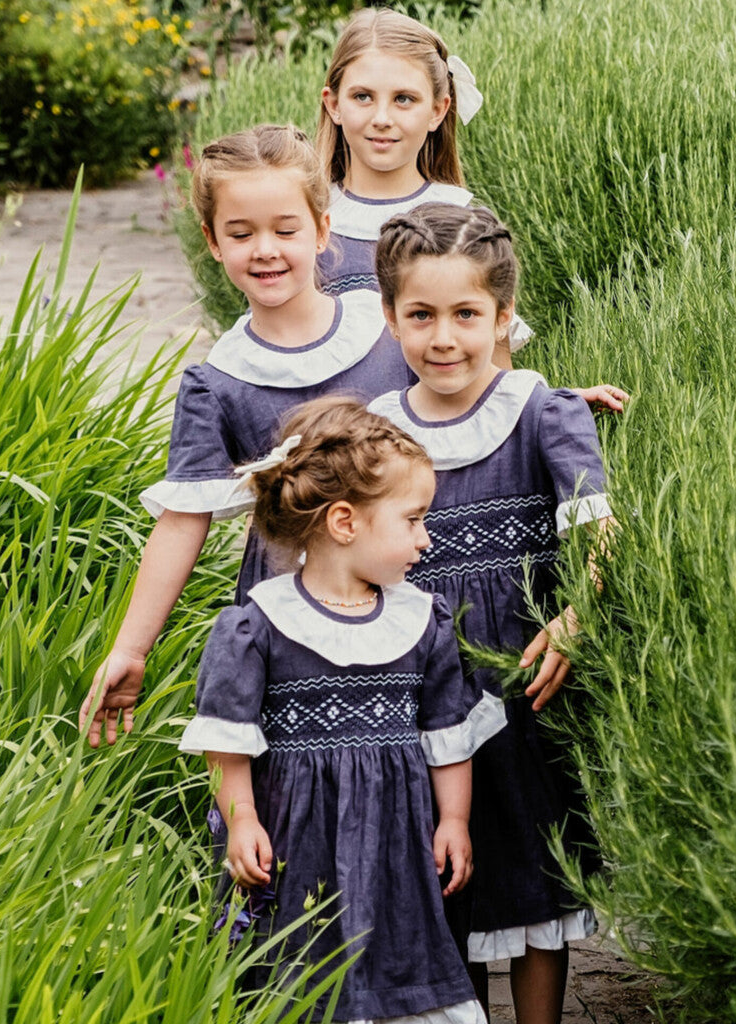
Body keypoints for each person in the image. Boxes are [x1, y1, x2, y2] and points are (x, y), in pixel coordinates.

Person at [79, 123, 412, 748]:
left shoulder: (389, 323)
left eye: (286, 230)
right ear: (212, 241)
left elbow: (467, 380)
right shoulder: (219, 381)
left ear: (321, 228)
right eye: (241, 233)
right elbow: (183, 521)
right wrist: (130, 647)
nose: (266, 249)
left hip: (416, 580)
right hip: (294, 612)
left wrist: (540, 403)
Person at [178, 396, 506, 1023]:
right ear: (345, 523)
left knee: (401, 960)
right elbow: (230, 742)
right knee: (300, 972)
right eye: (412, 520)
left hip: (397, 846)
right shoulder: (261, 625)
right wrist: (242, 821)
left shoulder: (421, 620)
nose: (425, 537)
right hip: (298, 843)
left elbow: (446, 735)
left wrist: (455, 820)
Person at [368, 203, 614, 1024]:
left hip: (528, 677)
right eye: (421, 316)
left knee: (539, 875)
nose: (444, 338)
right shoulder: (379, 433)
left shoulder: (542, 410)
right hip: (423, 688)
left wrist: (576, 617)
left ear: (504, 318)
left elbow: (599, 534)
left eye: (467, 315)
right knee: (450, 875)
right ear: (389, 319)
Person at [315, 7, 628, 412]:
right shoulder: (311, 221)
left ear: (438, 110)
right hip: (331, 454)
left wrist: (553, 407)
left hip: (441, 454)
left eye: (404, 99)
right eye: (362, 97)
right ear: (334, 104)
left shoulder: (461, 221)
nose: (381, 118)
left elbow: (494, 371)